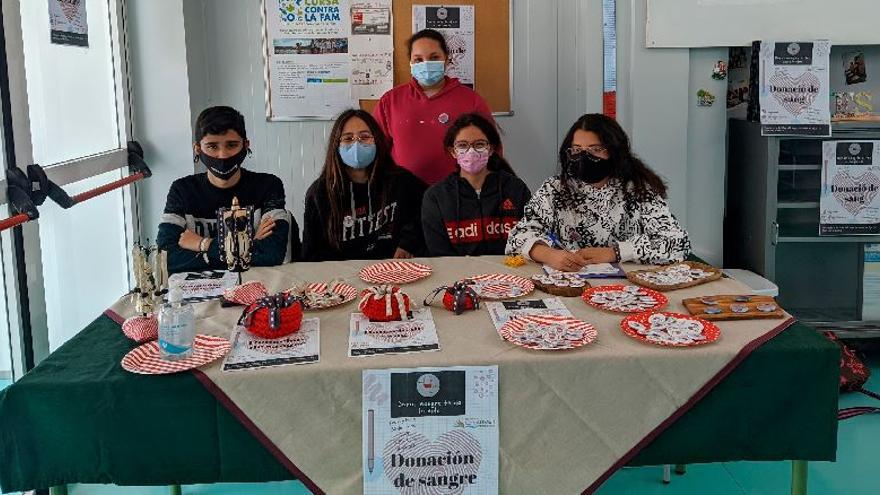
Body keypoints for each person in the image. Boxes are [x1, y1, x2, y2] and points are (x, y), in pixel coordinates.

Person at [505, 114, 690, 271]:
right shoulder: (555, 189)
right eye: (577, 150)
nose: (585, 157)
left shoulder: (638, 190)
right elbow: (518, 236)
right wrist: (549, 255)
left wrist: (614, 252)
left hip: (627, 289)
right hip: (569, 285)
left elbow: (676, 242)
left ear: (614, 151)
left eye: (596, 149)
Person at [157, 106, 299, 274]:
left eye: (232, 145)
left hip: (257, 284)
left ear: (246, 145)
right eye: (212, 146)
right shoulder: (182, 190)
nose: (223, 155)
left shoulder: (268, 185)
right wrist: (248, 244)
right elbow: (166, 258)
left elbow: (272, 253)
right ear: (197, 149)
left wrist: (203, 244)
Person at [302, 109, 426, 261]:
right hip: (342, 277)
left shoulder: (401, 180)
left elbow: (426, 210)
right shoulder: (319, 193)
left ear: (377, 140)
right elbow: (311, 252)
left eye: (365, 137)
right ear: (336, 145)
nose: (356, 144)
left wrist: (408, 244)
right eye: (348, 138)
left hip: (394, 269)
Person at [374, 29, 494, 185]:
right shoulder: (389, 101)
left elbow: (491, 149)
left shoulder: (471, 100)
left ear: (446, 59)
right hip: (403, 193)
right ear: (410, 63)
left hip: (458, 194)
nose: (426, 64)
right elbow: (376, 149)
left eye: (434, 57)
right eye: (418, 59)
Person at [421, 113, 531, 256]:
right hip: (457, 275)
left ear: (490, 149)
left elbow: (529, 238)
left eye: (479, 144)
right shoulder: (436, 197)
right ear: (453, 151)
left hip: (509, 273)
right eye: (462, 145)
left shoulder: (515, 189)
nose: (471, 151)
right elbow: (439, 253)